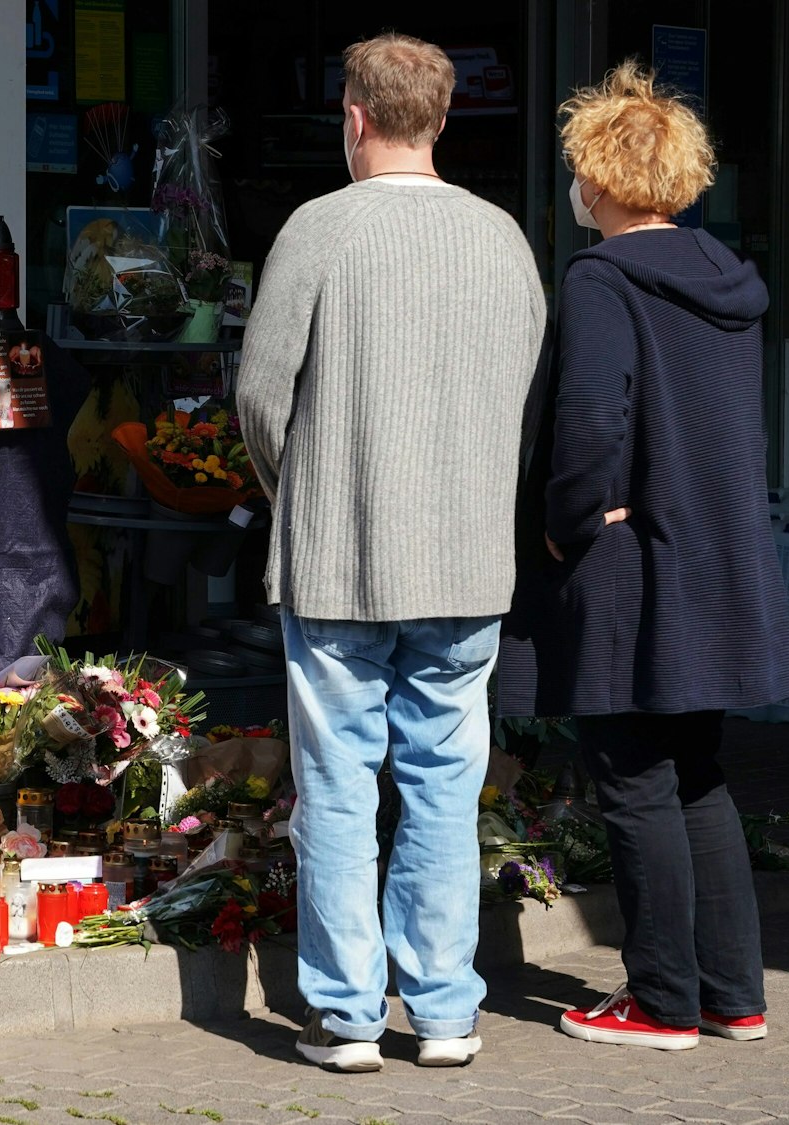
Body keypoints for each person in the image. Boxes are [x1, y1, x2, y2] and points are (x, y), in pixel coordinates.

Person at [240, 32, 547, 1073]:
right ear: (442, 119)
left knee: (336, 787)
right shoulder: (502, 237)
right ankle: (447, 1011)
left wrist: (298, 493)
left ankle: (346, 1016)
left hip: (339, 557)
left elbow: (259, 397)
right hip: (465, 557)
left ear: (354, 116)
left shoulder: (319, 228)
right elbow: (524, 395)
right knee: (444, 787)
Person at [496, 61, 789, 1051]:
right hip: (712, 557)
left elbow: (589, 416)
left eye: (579, 171)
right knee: (695, 771)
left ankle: (661, 1001)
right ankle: (732, 995)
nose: (574, 188)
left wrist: (567, 521)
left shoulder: (601, 279)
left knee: (630, 776)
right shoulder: (725, 281)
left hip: (627, 563)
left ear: (601, 179)